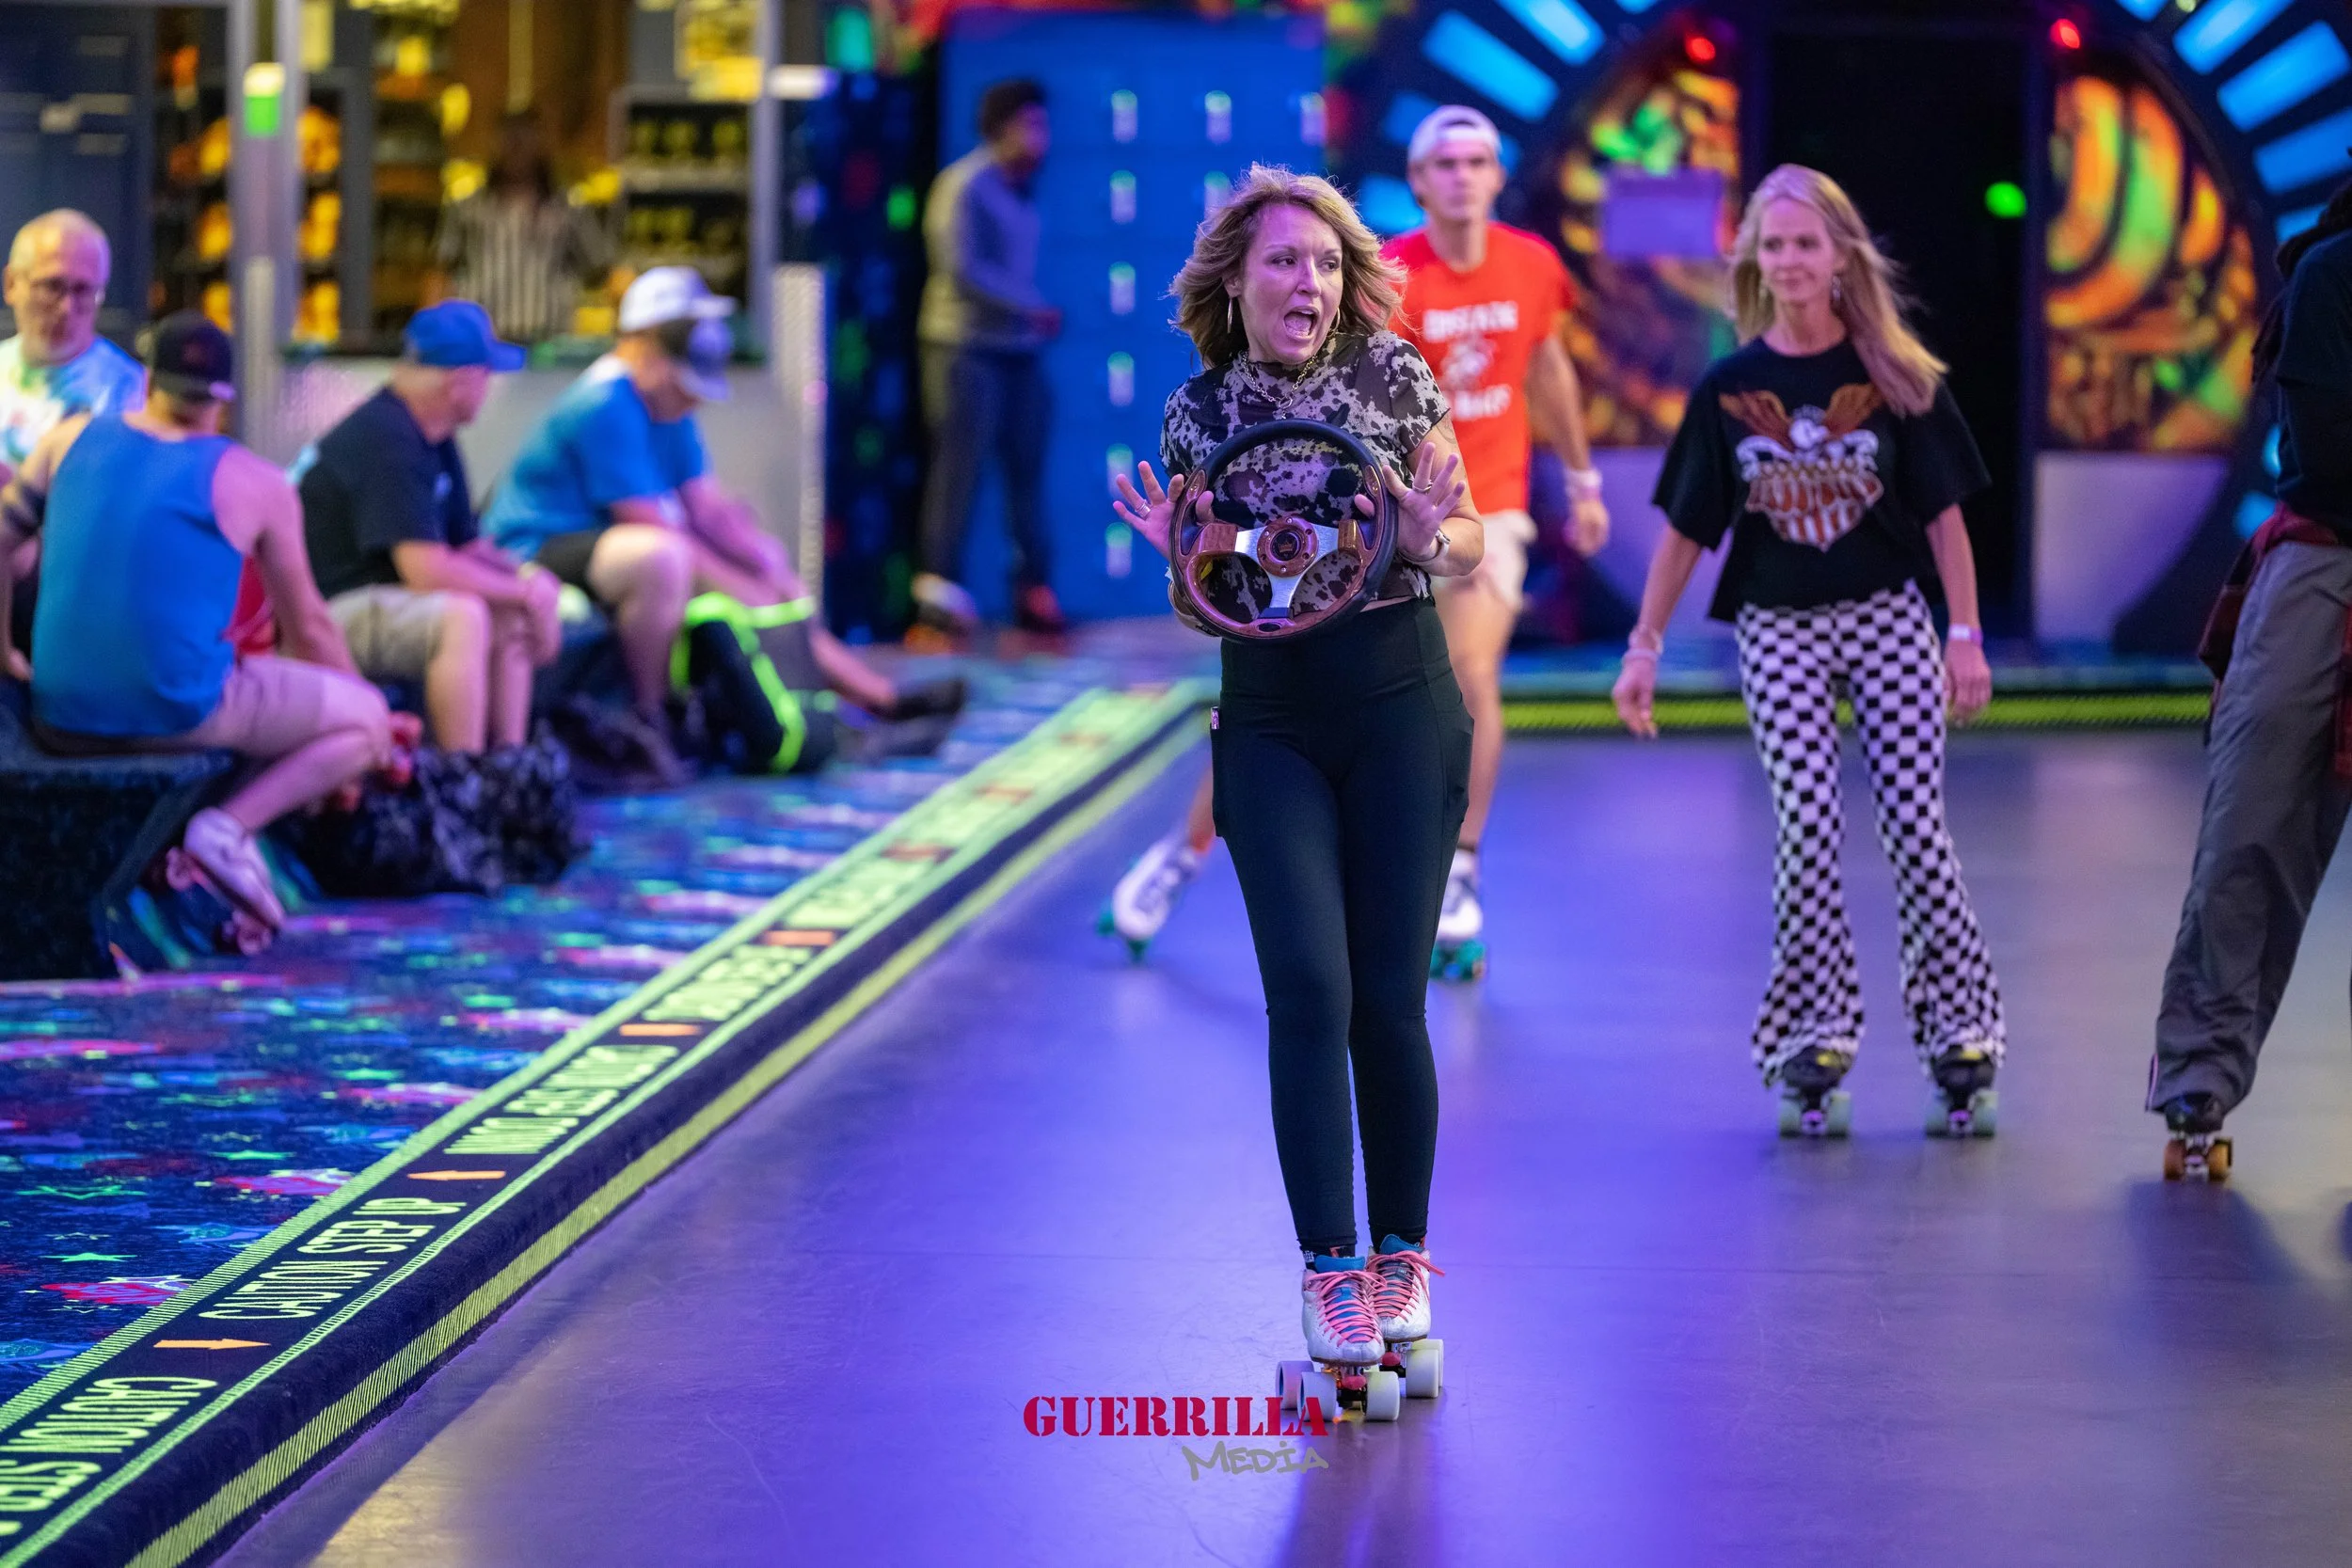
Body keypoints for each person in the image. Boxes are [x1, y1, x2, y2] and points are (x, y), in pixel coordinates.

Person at [1112, 166, 1480, 1382]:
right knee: (1309, 991)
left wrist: (1437, 539)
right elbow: (1202, 605)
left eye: (1325, 264)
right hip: (1270, 722)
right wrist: (1182, 557)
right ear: (1237, 279)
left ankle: (1400, 1262)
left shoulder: (1396, 375)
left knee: (1389, 998)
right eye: (1283, 262)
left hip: (1403, 708)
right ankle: (1331, 1274)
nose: (1307, 282)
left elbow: (1464, 535)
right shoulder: (1197, 413)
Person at [1103, 106, 1615, 970]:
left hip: (1480, 502)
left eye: (1478, 161)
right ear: (1418, 183)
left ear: (1497, 176)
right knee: (1281, 682)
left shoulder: (1531, 265)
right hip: (1351, 519)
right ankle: (1183, 853)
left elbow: (1545, 363)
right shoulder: (1384, 276)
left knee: (1473, 667)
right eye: (1444, 162)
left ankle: (1459, 866)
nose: (1462, 175)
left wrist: (1584, 478)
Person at [1611, 164, 2006, 1135]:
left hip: (1886, 614)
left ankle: (1962, 1036)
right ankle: (1810, 1037)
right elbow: (1687, 530)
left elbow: (1947, 517)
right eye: (1771, 245)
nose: (1787, 261)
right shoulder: (1730, 387)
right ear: (1752, 258)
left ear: (1839, 256)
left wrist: (1964, 633)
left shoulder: (1893, 375)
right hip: (1778, 625)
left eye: (1803, 243)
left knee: (1916, 826)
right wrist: (1643, 646)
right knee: (1807, 832)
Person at [0, 312, 397, 930]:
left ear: (148, 380)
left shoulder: (65, 439)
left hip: (60, 717)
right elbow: (311, 627)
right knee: (363, 723)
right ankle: (227, 830)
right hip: (180, 714)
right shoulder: (257, 480)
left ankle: (199, 852)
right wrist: (379, 723)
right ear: (225, 397)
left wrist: (4, 648)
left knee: (265, 690)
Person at [485, 266, 961, 736]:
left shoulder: (665, 402)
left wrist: (763, 562)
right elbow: (654, 526)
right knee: (668, 559)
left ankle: (867, 697)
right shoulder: (603, 404)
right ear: (645, 346)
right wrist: (749, 590)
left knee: (762, 572)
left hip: (604, 546)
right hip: (533, 549)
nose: (693, 400)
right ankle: (652, 718)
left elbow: (706, 506)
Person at [2145, 176, 2352, 1176]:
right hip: (2329, 553)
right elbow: (2329, 451)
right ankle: (2199, 1074)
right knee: (2252, 823)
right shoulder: (2329, 274)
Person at [298, 300, 559, 753]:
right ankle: (463, 780)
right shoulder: (386, 438)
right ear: (462, 382)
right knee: (461, 616)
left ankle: (508, 768)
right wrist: (522, 592)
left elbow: (468, 545)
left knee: (506, 611)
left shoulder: (432, 433)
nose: (489, 389)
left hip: (380, 600)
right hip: (322, 614)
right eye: (487, 376)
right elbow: (427, 571)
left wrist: (528, 581)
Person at [911, 77, 1065, 645]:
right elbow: (960, 269)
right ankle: (937, 600)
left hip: (1019, 351)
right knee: (958, 475)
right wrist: (1032, 306)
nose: (1042, 137)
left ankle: (1034, 590)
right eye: (1032, 124)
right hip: (963, 349)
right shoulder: (963, 185)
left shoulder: (1022, 188)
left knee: (1029, 472)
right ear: (1002, 127)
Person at [435, 115, 613, 344]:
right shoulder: (468, 208)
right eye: (509, 140)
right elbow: (441, 271)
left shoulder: (568, 209)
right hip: (484, 341)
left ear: (540, 146)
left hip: (548, 342)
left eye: (524, 140)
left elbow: (599, 268)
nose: (516, 149)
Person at [1, 210, 144, 474]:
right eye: (52, 286)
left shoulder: (131, 393)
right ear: (11, 284)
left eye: (83, 290)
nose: (67, 308)